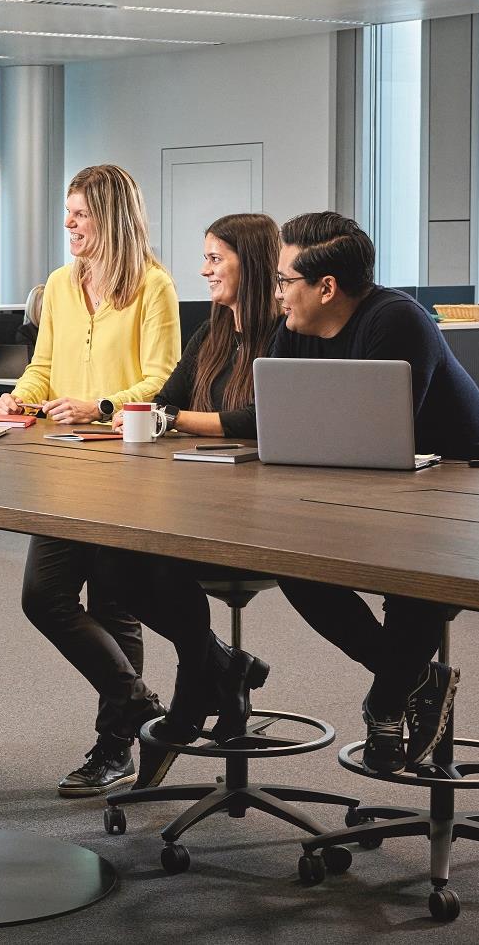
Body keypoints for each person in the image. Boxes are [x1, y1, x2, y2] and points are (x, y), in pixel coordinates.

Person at [270, 211, 479, 774]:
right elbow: (285, 425)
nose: (278, 294)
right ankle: (412, 679)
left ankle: (386, 701)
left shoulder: (396, 319)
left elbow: (375, 433)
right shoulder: (294, 328)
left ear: (326, 286)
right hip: (377, 487)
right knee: (290, 561)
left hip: (470, 480)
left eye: (285, 280)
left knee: (412, 575)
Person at [0, 164, 182, 797]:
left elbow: (162, 381)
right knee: (42, 597)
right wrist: (16, 398)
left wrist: (100, 405)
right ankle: (136, 701)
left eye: (80, 214)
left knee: (113, 606)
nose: (69, 225)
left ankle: (114, 748)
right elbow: (42, 367)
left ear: (112, 217)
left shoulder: (154, 287)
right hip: (62, 468)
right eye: (68, 214)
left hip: (126, 467)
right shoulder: (58, 284)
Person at [90, 213, 285, 788]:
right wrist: (153, 413)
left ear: (248, 263)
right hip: (194, 495)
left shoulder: (285, 333)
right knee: (112, 563)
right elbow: (165, 397)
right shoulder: (212, 332)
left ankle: (195, 683)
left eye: (214, 258)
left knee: (162, 557)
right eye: (203, 258)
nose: (204, 270)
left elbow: (261, 418)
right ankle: (221, 667)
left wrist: (179, 419)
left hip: (257, 511)